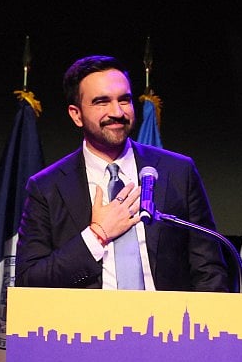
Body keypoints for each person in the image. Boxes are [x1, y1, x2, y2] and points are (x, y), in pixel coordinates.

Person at [14, 55, 228, 292]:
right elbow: (29, 280)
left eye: (124, 100)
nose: (117, 112)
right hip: (86, 325)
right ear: (76, 114)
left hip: (168, 324)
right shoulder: (47, 187)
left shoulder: (177, 172)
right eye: (101, 102)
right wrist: (97, 235)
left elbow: (209, 272)